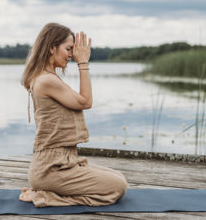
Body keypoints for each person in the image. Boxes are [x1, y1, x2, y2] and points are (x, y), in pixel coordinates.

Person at [19, 22, 128, 207]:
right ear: (52, 47)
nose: (72, 54)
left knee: (117, 177)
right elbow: (86, 102)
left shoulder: (47, 77)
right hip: (51, 167)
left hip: (65, 161)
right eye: (68, 49)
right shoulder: (46, 80)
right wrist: (83, 63)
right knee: (118, 187)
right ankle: (45, 196)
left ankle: (46, 190)